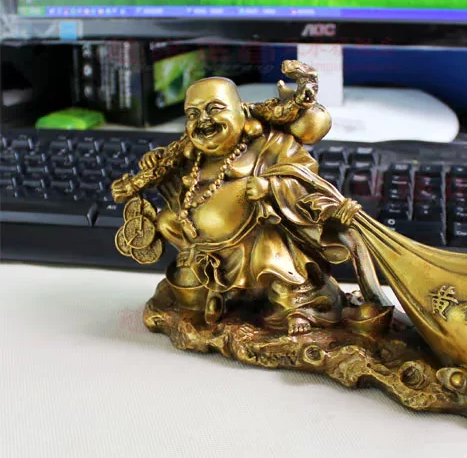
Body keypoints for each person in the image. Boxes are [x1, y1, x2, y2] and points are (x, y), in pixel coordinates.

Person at [113, 76, 350, 335]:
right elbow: (172, 183)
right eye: (193, 114)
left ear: (241, 111)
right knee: (167, 221)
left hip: (256, 235)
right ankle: (221, 294)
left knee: (275, 258)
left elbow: (305, 175)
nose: (204, 120)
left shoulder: (270, 142)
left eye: (214, 109)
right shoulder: (191, 154)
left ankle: (298, 308)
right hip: (204, 242)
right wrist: (154, 162)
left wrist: (271, 187)